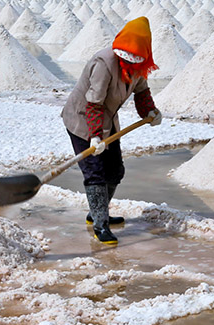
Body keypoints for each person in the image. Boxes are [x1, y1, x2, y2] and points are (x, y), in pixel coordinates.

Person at [61, 17, 162, 247]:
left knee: (115, 170)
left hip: (107, 122)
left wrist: (151, 111)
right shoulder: (104, 63)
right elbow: (93, 103)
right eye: (127, 56)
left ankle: (98, 212)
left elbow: (141, 92)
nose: (130, 61)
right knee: (95, 173)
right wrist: (95, 135)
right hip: (83, 120)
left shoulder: (138, 67)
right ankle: (100, 225)